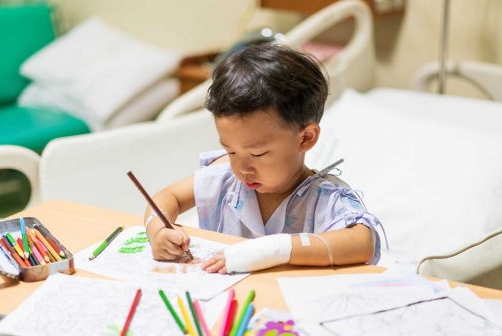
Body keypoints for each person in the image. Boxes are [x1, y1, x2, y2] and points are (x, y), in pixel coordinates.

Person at [144, 43, 383, 274]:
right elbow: (167, 198)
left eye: (257, 154)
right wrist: (158, 230)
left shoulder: (323, 198)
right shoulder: (225, 177)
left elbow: (363, 242)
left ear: (305, 138)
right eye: (231, 151)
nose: (241, 168)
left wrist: (274, 249)